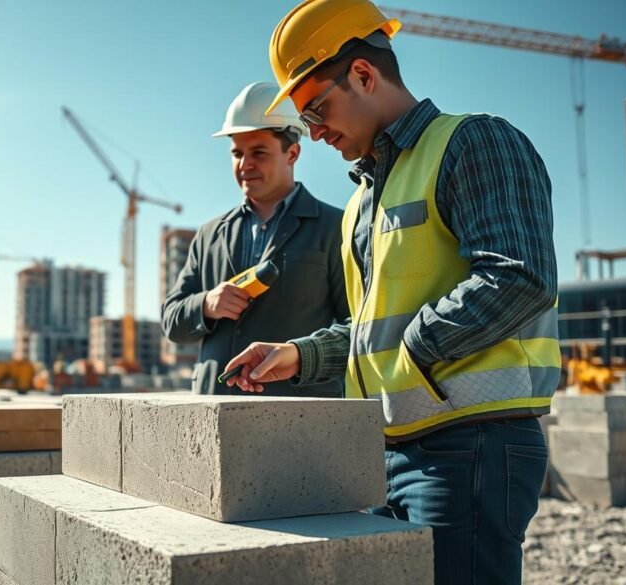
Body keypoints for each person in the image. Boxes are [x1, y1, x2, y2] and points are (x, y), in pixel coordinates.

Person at [224, 1, 560, 583]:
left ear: (363, 74)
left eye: (318, 108)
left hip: (471, 444)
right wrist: (300, 355)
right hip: (389, 451)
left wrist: (418, 350)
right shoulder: (361, 202)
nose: (317, 130)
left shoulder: (474, 142)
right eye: (306, 119)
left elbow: (518, 275)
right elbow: (375, 325)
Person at [162, 81, 349, 396]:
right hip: (213, 410)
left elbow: (356, 325)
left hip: (299, 414)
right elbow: (171, 321)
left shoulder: (336, 227)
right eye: (237, 153)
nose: (244, 165)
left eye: (258, 152)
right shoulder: (210, 234)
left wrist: (300, 355)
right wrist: (206, 304)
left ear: (293, 153)